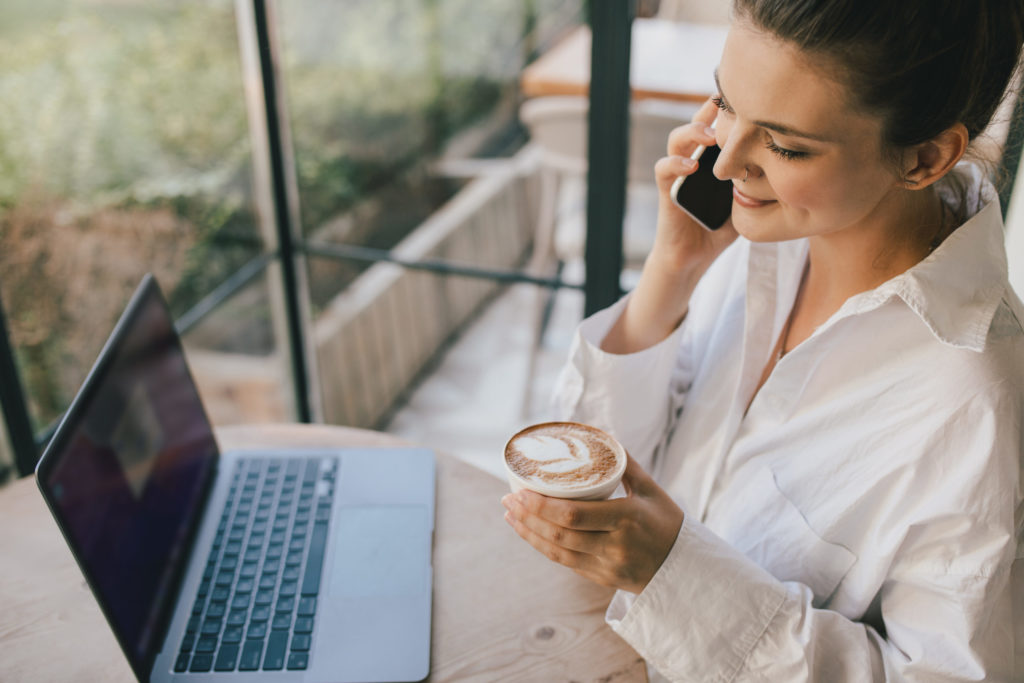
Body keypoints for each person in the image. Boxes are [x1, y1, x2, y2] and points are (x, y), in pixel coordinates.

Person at [501, 0, 1024, 680]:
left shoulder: (976, 403)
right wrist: (671, 272)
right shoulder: (757, 246)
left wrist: (677, 577)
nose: (724, 165)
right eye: (724, 101)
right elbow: (599, 473)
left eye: (784, 146)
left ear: (925, 157)